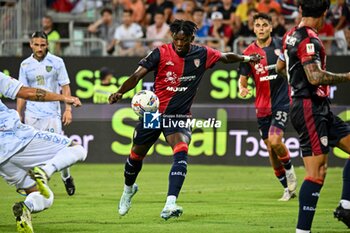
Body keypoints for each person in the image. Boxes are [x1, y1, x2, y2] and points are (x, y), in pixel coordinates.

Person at [108, 19, 261, 220]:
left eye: (184, 40)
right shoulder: (160, 53)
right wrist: (120, 92)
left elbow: (225, 57)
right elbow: (136, 76)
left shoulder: (202, 53)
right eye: (177, 39)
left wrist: (246, 59)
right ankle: (128, 190)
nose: (180, 44)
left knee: (181, 150)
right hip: (154, 113)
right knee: (136, 155)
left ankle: (170, 203)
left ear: (191, 38)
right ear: (172, 37)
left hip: (179, 115)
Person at [276, 0, 350, 231]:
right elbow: (315, 77)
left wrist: (294, 79)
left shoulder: (291, 34)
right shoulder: (308, 39)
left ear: (300, 10)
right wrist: (347, 76)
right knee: (317, 173)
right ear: (325, 13)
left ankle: (346, 207)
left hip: (317, 105)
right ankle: (302, 231)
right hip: (308, 107)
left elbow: (280, 67)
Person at [0, 71, 87, 233]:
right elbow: (27, 92)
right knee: (77, 149)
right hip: (15, 137)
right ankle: (44, 172)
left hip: (2, 161)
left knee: (45, 197)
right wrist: (63, 98)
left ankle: (25, 208)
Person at [239, 13, 297, 202]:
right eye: (258, 25)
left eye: (265, 25)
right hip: (262, 107)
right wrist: (243, 88)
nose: (261, 28)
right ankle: (287, 188)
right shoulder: (248, 53)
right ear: (253, 28)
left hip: (281, 101)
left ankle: (289, 171)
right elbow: (243, 79)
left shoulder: (282, 45)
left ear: (271, 27)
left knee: (275, 140)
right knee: (270, 149)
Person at [17, 31, 76, 196]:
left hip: (52, 114)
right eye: (36, 45)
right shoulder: (25, 65)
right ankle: (33, 186)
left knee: (59, 149)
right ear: (31, 44)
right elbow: (22, 92)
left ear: (47, 45)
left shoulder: (57, 62)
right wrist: (18, 112)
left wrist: (68, 109)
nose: (40, 48)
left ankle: (66, 177)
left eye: (43, 45)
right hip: (32, 114)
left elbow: (65, 86)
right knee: (29, 150)